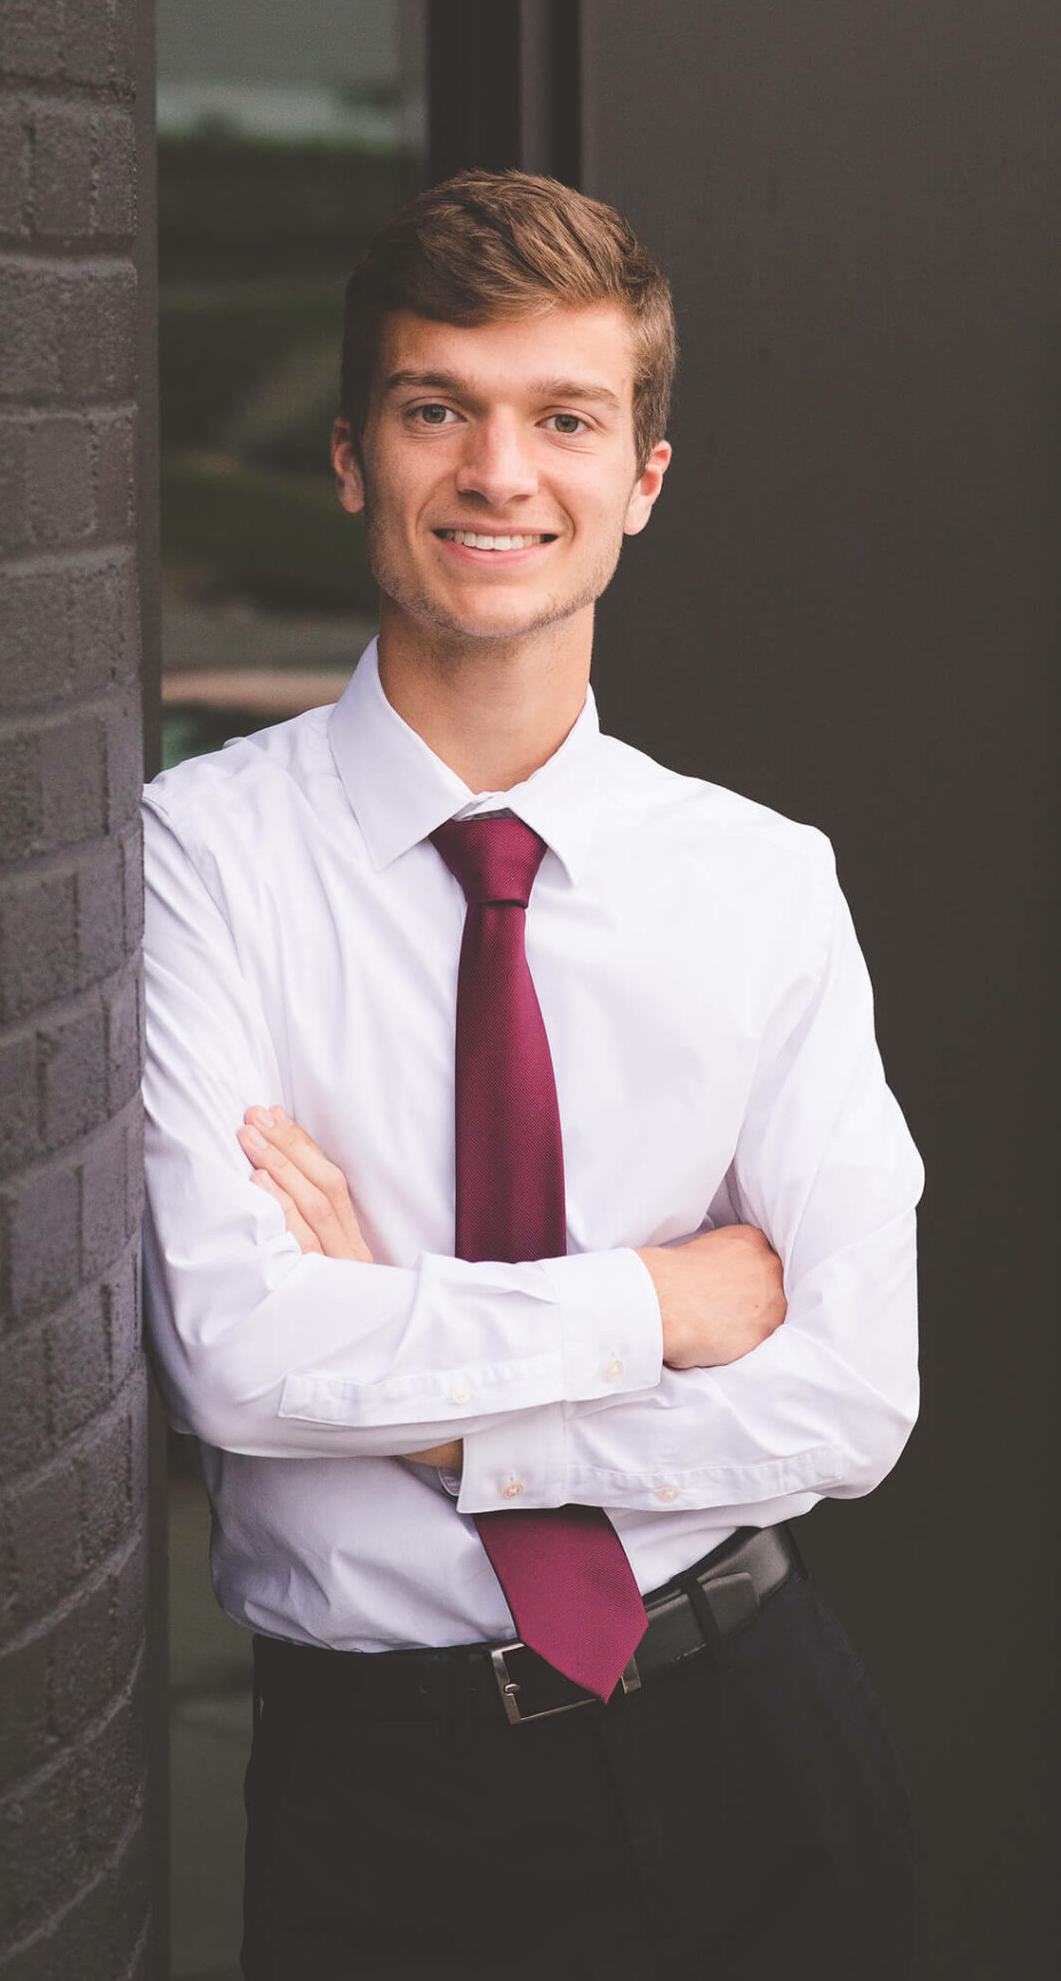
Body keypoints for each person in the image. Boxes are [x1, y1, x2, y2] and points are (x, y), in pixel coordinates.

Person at [141, 170, 924, 1978]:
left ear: (640, 480)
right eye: (440, 411)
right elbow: (237, 1357)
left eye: (564, 419)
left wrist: (404, 1371)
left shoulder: (760, 880)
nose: (500, 472)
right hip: (380, 1788)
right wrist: (659, 1299)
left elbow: (849, 1399)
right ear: (352, 457)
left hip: (755, 1733)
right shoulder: (197, 859)